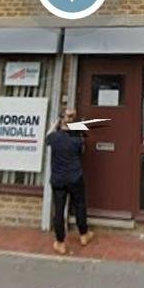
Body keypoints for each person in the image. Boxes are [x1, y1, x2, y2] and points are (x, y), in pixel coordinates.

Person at [45, 108, 94, 255]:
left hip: (59, 180)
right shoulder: (77, 138)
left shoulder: (54, 137)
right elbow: (82, 151)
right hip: (75, 178)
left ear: (61, 120)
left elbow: (47, 137)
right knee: (79, 204)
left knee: (59, 211)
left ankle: (60, 243)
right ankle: (83, 234)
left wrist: (55, 124)